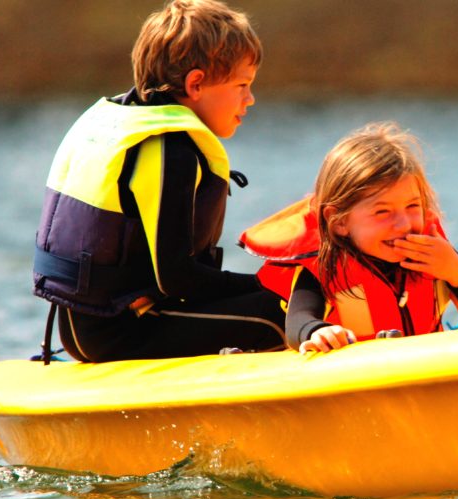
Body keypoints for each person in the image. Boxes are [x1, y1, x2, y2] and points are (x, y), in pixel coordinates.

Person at [32, 0, 285, 363]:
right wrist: (268, 282)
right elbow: (178, 280)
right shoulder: (171, 153)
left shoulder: (125, 122)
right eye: (242, 85)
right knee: (278, 313)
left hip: (90, 327)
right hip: (118, 332)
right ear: (196, 83)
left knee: (277, 298)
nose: (250, 99)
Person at [244, 122, 458, 354]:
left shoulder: (433, 255)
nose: (403, 224)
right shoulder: (321, 266)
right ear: (340, 222)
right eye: (383, 211)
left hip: (425, 375)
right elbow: (298, 321)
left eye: (413, 206)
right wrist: (316, 331)